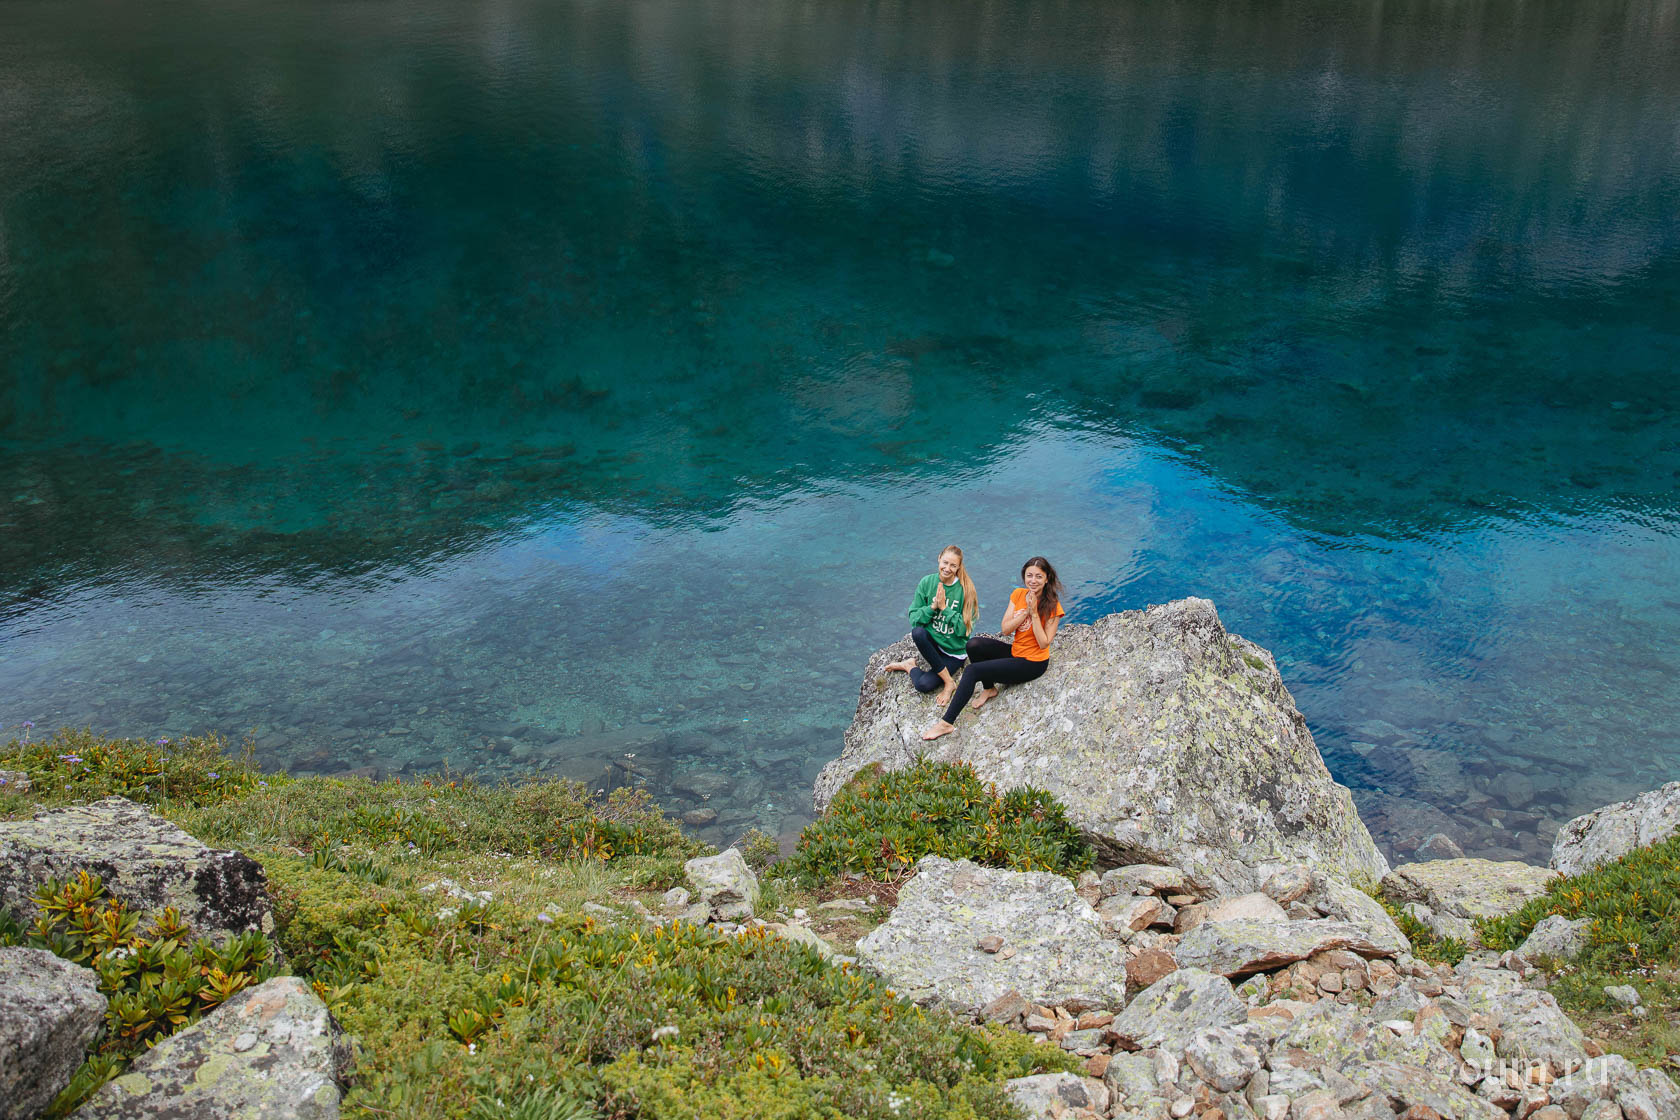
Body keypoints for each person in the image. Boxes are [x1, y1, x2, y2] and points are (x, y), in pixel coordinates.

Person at [922, 556, 1064, 741]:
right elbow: (1005, 630)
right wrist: (1023, 615)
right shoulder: (1019, 595)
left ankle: (946, 723)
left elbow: (1044, 643)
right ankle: (989, 689)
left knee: (972, 671)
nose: (1033, 580)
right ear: (1024, 576)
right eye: (1029, 575)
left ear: (1047, 578)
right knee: (973, 644)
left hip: (1033, 662)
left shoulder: (1053, 605)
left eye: (1038, 576)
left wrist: (1034, 614)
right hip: (1016, 651)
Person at [883, 545, 980, 708]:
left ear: (959, 567)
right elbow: (914, 619)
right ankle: (949, 683)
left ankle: (909, 666)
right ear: (939, 559)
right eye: (945, 562)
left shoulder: (966, 590)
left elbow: (964, 631)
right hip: (933, 644)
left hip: (953, 652)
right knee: (918, 633)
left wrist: (944, 609)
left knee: (923, 685)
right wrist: (933, 607)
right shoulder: (927, 582)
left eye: (953, 565)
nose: (947, 568)